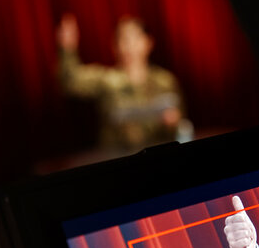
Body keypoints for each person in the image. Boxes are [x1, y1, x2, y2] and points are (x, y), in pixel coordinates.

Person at [55, 13, 192, 152]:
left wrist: (174, 122)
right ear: (114, 46)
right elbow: (71, 81)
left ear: (149, 42)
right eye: (123, 39)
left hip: (161, 159)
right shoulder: (107, 80)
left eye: (135, 37)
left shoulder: (165, 81)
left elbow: (183, 125)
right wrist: (67, 49)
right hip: (120, 161)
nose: (129, 45)